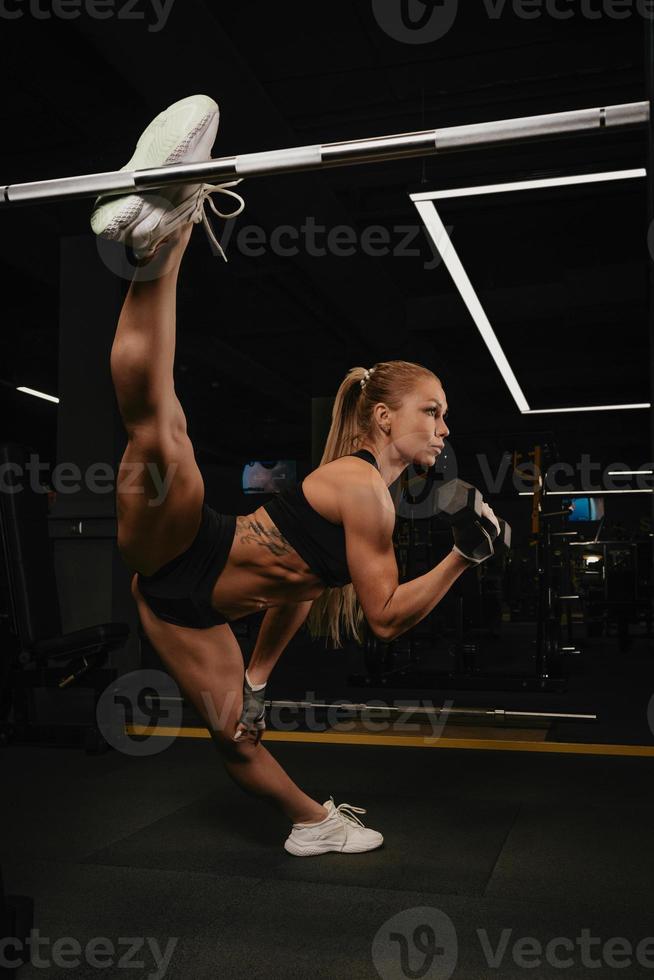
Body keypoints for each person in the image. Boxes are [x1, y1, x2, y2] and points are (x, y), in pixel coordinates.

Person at [93, 95, 500, 857]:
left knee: (237, 736)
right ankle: (168, 227)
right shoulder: (362, 491)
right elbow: (383, 619)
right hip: (191, 547)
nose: (444, 429)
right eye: (431, 412)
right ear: (384, 419)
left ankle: (312, 823)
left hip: (186, 611)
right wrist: (462, 557)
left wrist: (256, 680)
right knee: (161, 427)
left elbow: (296, 592)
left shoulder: (355, 491)